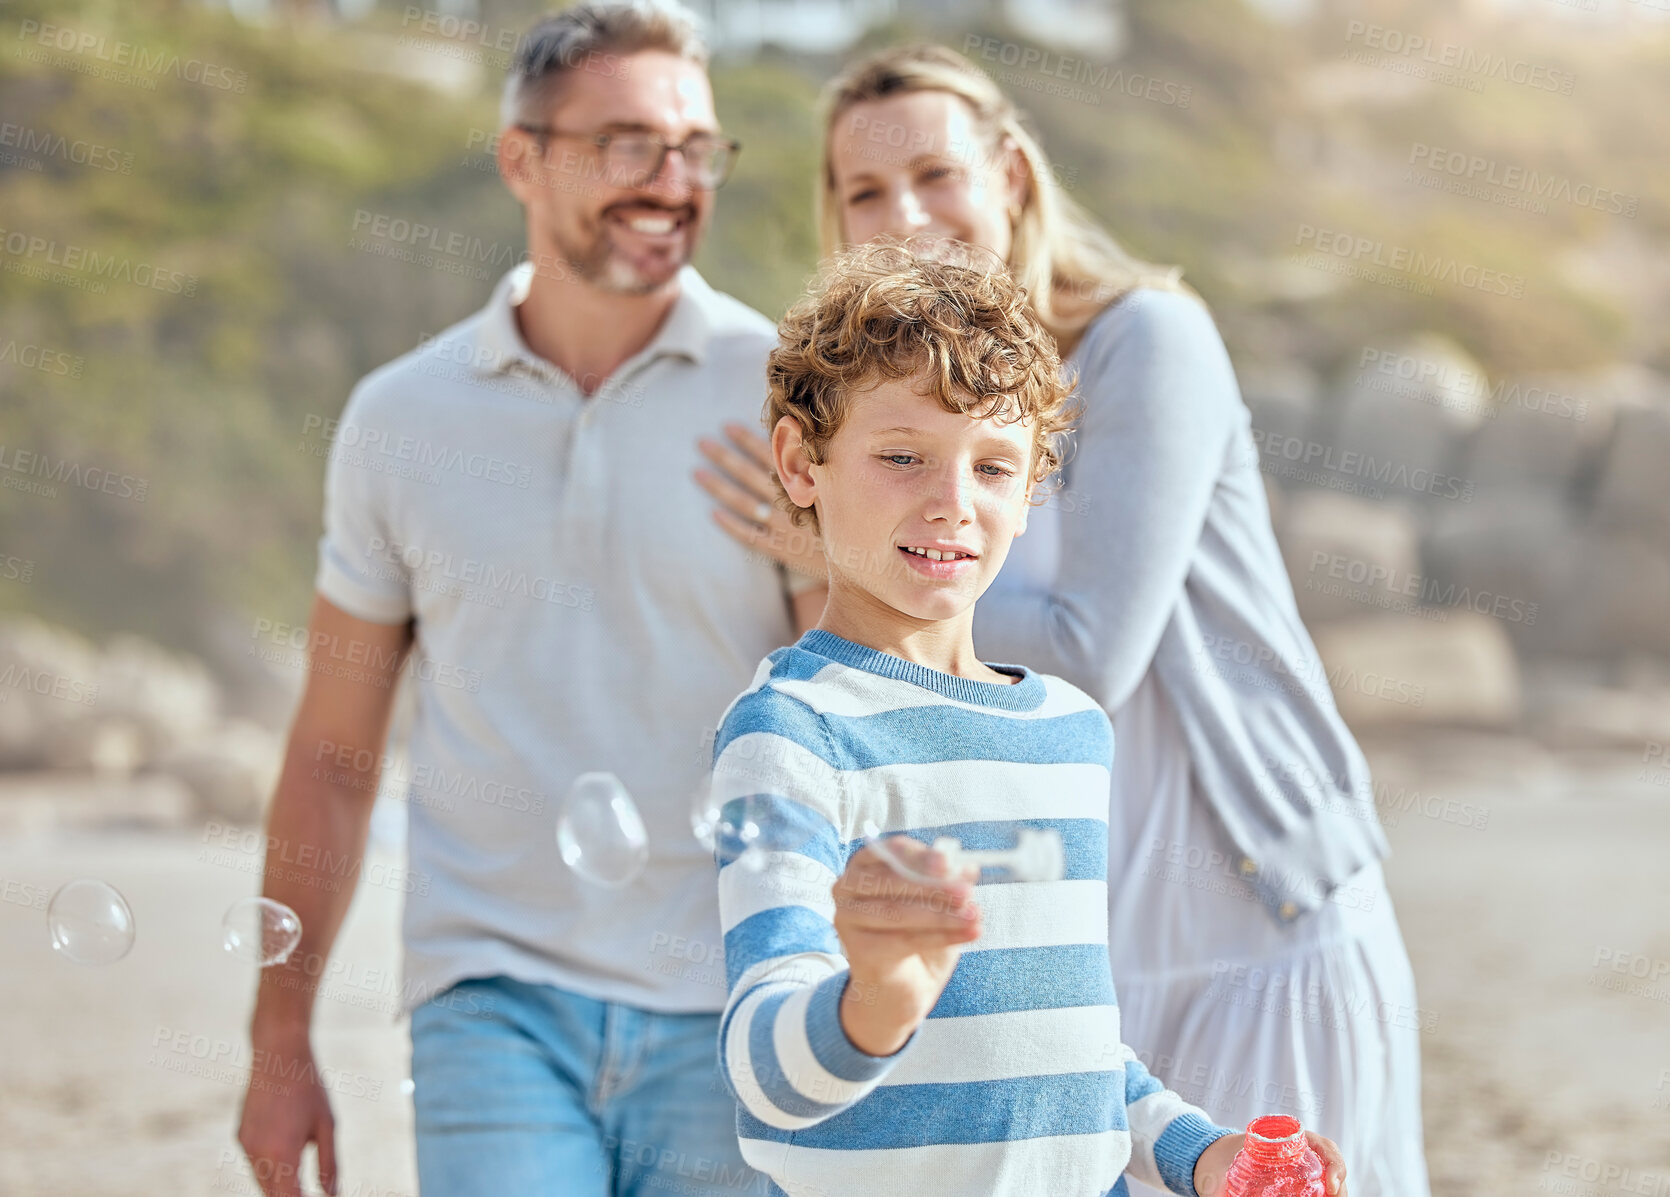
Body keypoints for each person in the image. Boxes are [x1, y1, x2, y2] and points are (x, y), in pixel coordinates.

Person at [699, 44, 1429, 1196]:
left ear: (1013, 175)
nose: (905, 215)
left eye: (935, 175)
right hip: (1077, 912)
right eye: (865, 193)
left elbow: (1096, 650)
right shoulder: (806, 684)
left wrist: (821, 539)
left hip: (1248, 914)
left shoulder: (1148, 337)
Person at [236, 4, 802, 1195]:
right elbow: (335, 753)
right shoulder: (400, 418)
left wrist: (819, 558)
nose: (671, 181)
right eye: (627, 143)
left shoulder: (783, 395)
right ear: (519, 158)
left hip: (736, 1003)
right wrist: (277, 1043)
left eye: (697, 148)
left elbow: (848, 707)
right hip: (487, 999)